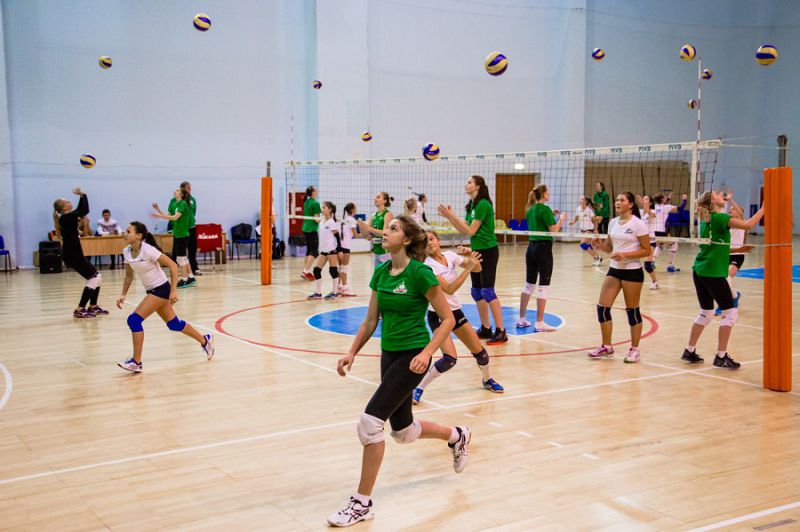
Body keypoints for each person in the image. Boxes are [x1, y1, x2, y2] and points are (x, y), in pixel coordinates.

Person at [328, 216, 470, 528]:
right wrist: (352, 352)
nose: (385, 232)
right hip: (389, 354)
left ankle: (362, 503)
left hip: (412, 355)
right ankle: (457, 436)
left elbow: (447, 319)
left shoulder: (420, 273)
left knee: (370, 423)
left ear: (405, 240)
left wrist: (427, 352)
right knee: (403, 432)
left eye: (392, 228)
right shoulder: (381, 272)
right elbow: (370, 320)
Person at [413, 230, 503, 405]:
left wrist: (470, 258)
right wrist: (468, 268)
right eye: (425, 242)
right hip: (438, 315)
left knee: (481, 354)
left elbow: (478, 268)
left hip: (455, 313)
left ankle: (487, 380)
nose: (429, 243)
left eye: (431, 239)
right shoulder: (428, 266)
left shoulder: (450, 256)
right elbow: (450, 288)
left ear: (438, 241)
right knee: (449, 359)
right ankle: (418, 388)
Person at [680, 192, 765, 368]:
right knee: (730, 313)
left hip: (700, 271)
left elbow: (716, 247)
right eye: (717, 194)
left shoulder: (706, 220)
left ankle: (689, 350)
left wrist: (737, 250)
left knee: (706, 313)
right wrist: (764, 208)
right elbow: (748, 225)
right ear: (712, 201)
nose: (721, 196)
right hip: (712, 273)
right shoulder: (719, 217)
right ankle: (721, 356)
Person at [116, 221, 214, 372]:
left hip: (161, 289)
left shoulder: (148, 250)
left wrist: (173, 291)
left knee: (134, 320)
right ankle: (205, 340)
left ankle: (136, 362)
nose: (124, 233)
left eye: (128, 231)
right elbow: (129, 276)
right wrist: (123, 294)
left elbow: (173, 266)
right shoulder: (126, 252)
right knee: (174, 324)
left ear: (139, 235)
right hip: (152, 291)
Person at [438, 175, 507, 345]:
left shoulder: (483, 204)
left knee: (488, 291)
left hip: (488, 251)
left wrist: (452, 215)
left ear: (478, 186)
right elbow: (464, 230)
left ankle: (501, 331)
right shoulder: (473, 205)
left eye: (470, 182)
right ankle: (486, 328)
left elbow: (470, 231)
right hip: (476, 251)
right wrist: (450, 217)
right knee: (476, 292)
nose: (466, 184)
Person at [587, 192, 650, 363]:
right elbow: (610, 248)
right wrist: (600, 245)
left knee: (632, 311)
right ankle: (607, 347)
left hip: (632, 271)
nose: (618, 202)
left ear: (630, 204)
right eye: (617, 200)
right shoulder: (613, 222)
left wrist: (626, 255)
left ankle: (634, 350)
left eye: (622, 200)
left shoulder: (638, 224)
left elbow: (647, 250)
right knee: (602, 308)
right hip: (615, 269)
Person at [52, 188, 107, 318]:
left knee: (97, 276)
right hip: (72, 255)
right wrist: (84, 195)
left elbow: (80, 210)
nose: (69, 202)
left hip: (75, 253)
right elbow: (84, 210)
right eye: (67, 202)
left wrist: (82, 197)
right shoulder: (66, 217)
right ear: (63, 208)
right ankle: (80, 309)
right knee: (93, 278)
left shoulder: (67, 216)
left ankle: (93, 306)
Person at [518, 185, 566, 332]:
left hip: (531, 248)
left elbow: (539, 223)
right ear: (543, 194)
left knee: (529, 285)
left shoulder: (530, 210)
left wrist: (552, 215)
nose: (549, 194)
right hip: (543, 249)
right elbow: (554, 230)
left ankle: (521, 319)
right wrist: (561, 219)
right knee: (544, 286)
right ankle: (539, 322)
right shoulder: (544, 210)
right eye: (547, 192)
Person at [152, 189, 196, 288]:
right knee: (183, 258)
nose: (175, 191)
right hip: (177, 234)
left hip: (183, 234)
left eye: (177, 190)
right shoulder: (175, 204)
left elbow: (175, 217)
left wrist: (158, 215)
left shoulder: (183, 204)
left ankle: (184, 279)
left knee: (180, 258)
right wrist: (158, 209)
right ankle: (191, 277)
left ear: (181, 194)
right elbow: (168, 216)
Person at [715, 192, 750, 315]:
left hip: (737, 256)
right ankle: (734, 295)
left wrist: (730, 200)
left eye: (733, 210)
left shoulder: (741, 223)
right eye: (729, 210)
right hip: (725, 255)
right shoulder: (727, 224)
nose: (731, 211)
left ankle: (724, 304)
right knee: (720, 281)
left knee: (727, 278)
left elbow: (740, 214)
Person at [307, 201, 341, 300]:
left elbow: (337, 235)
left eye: (324, 207)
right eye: (322, 207)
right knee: (316, 271)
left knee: (333, 271)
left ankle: (335, 293)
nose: (322, 209)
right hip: (323, 250)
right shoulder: (322, 222)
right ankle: (318, 293)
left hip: (331, 250)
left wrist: (339, 248)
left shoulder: (331, 222)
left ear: (330, 210)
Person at [357, 192, 394, 268]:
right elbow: (367, 237)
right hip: (376, 253)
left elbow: (385, 233)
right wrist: (361, 227)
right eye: (375, 197)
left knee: (386, 275)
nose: (375, 199)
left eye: (378, 197)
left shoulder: (388, 214)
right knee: (377, 275)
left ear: (384, 201)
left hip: (386, 253)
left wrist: (368, 228)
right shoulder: (373, 216)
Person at [653, 192, 687, 273]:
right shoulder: (667, 207)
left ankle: (652, 262)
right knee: (674, 245)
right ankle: (670, 266)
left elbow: (663, 204)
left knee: (660, 246)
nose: (666, 198)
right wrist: (684, 200)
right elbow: (680, 209)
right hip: (662, 231)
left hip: (655, 231)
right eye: (664, 197)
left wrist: (668, 198)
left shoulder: (656, 206)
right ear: (662, 199)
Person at [569, 196, 601, 266]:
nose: (580, 200)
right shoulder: (578, 209)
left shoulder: (589, 210)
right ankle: (597, 257)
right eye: (580, 199)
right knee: (588, 245)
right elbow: (576, 217)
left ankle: (597, 257)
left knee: (583, 244)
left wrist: (596, 229)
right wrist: (572, 222)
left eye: (582, 199)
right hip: (582, 231)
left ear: (586, 201)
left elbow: (595, 220)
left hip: (589, 230)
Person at [301, 186, 322, 280]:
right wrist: (324, 219)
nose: (317, 191)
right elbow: (317, 220)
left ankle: (305, 270)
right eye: (316, 190)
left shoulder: (306, 202)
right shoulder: (315, 203)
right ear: (312, 192)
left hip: (305, 228)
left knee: (309, 250)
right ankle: (306, 271)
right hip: (312, 229)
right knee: (314, 251)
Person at [337, 202, 358, 297]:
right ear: (352, 209)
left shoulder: (343, 220)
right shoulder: (352, 220)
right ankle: (345, 288)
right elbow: (355, 235)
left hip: (339, 247)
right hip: (345, 247)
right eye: (355, 208)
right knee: (344, 268)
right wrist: (367, 235)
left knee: (340, 268)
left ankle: (338, 287)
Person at [639, 195, 660, 290]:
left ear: (650, 203)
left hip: (651, 240)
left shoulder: (653, 212)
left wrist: (644, 205)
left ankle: (655, 282)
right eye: (644, 199)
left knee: (647, 265)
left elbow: (651, 215)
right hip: (641, 241)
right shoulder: (640, 212)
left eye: (647, 199)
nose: (644, 200)